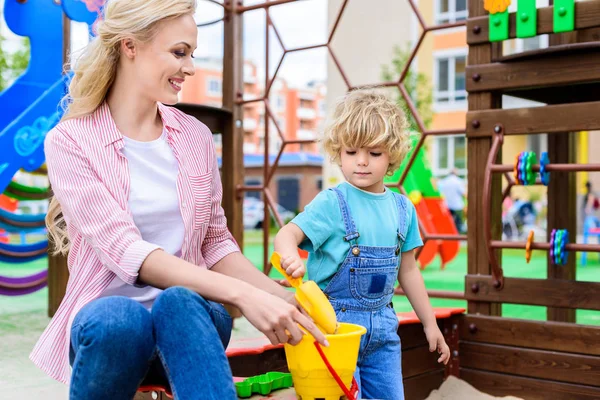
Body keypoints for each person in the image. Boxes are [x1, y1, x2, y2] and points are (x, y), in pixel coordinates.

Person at [30, 1, 326, 399]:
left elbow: (216, 243)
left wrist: (282, 298)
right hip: (110, 334)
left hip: (190, 323)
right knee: (121, 318)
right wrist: (245, 296)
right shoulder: (70, 142)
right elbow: (126, 251)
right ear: (130, 46)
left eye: (192, 55)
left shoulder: (195, 137)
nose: (189, 68)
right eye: (179, 52)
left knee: (180, 302)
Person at [274, 89, 450, 400]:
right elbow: (287, 234)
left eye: (375, 153)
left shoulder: (402, 209)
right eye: (352, 152)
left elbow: (408, 272)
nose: (362, 162)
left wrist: (430, 324)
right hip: (333, 330)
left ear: (392, 154)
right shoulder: (332, 202)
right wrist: (290, 257)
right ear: (338, 152)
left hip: (383, 330)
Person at [437, 168, 467, 233]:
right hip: (457, 206)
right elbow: (464, 193)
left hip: (446, 205)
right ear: (456, 174)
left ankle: (449, 234)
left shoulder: (443, 181)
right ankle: (458, 236)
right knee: (458, 223)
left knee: (449, 222)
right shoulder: (458, 181)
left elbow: (439, 193)